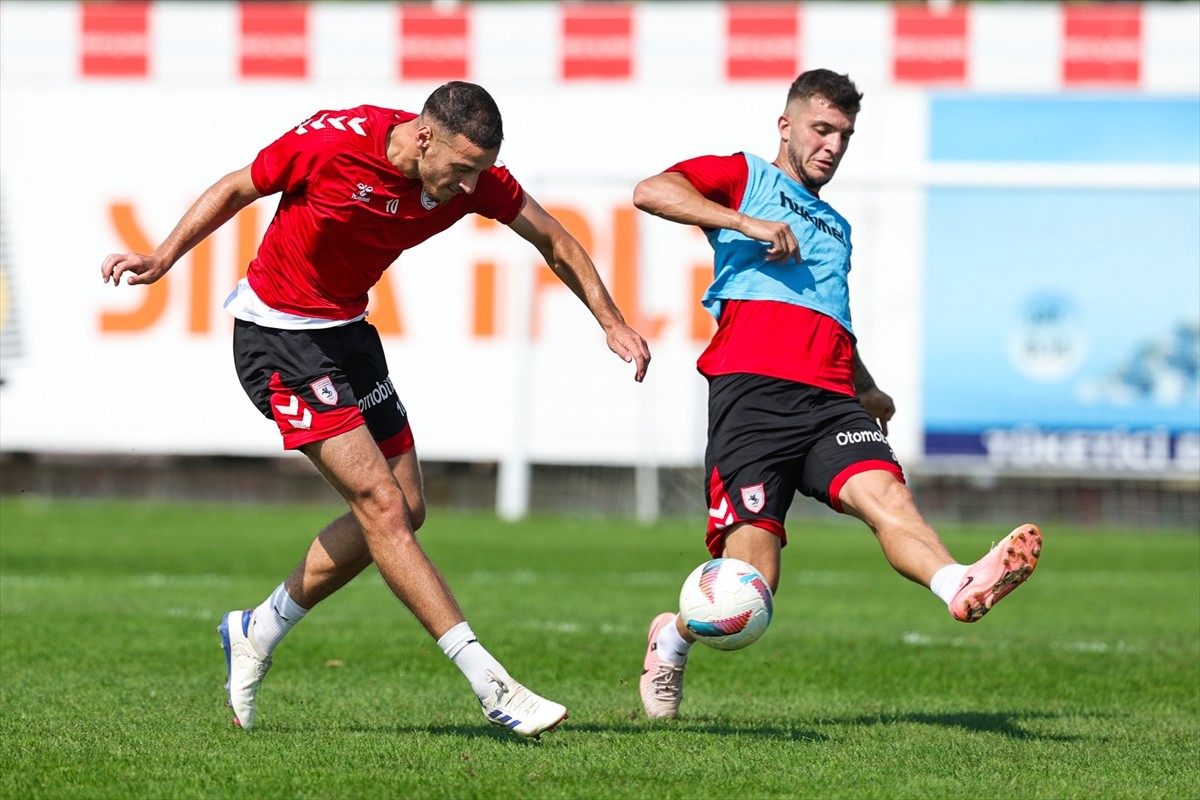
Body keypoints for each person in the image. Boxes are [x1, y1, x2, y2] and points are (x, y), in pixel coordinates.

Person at [101, 81, 651, 738]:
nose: (470, 186)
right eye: (462, 168)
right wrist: (161, 259)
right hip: (278, 336)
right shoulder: (333, 144)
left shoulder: (472, 181)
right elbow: (235, 187)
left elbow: (554, 239)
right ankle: (491, 684)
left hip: (347, 334)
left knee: (408, 506)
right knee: (382, 509)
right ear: (424, 137)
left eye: (481, 172)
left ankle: (257, 628)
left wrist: (611, 323)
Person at [631, 69, 1041, 720]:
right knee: (751, 590)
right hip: (753, 397)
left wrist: (867, 387)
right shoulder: (745, 175)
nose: (832, 145)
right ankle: (673, 637)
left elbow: (828, 316)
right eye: (821, 129)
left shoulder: (837, 227)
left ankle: (956, 582)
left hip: (830, 401)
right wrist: (745, 221)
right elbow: (652, 191)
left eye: (844, 135)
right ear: (786, 126)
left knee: (890, 501)